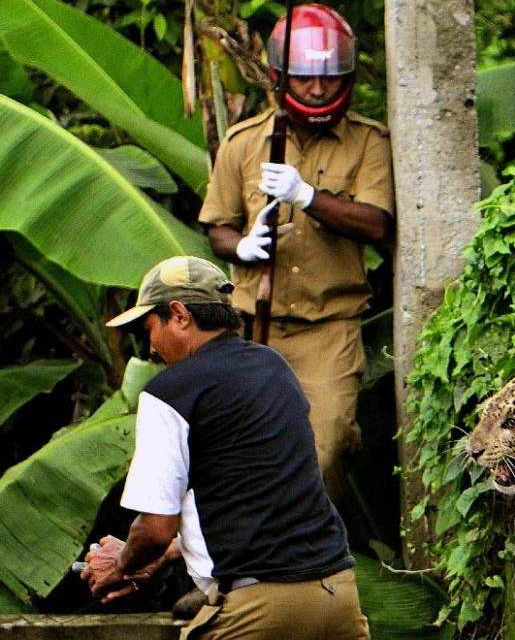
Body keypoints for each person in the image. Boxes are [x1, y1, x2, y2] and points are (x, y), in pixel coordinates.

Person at [82, 256, 370, 640]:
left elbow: (155, 528)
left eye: (150, 328)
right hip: (337, 596)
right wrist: (161, 558)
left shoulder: (170, 392)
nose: (150, 347)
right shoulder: (273, 367)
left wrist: (119, 565)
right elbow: (250, 503)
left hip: (260, 610)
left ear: (180, 315)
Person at [197, 3, 394, 509]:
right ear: (281, 77)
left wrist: (307, 197)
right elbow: (218, 227)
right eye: (306, 78)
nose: (319, 89)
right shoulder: (243, 142)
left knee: (327, 448)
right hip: (252, 325)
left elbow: (375, 223)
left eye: (330, 78)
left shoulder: (369, 141)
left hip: (329, 328)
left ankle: (315, 550)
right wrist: (242, 247)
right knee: (241, 456)